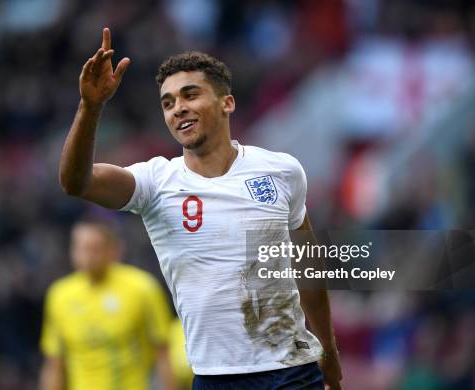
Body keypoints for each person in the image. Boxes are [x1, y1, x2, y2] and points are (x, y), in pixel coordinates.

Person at [59, 27, 343, 389]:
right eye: (168, 102)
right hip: (215, 377)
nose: (178, 108)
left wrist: (329, 352)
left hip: (294, 370)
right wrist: (90, 106)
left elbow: (308, 267)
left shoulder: (283, 171)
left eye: (190, 95)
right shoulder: (154, 182)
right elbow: (75, 182)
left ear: (226, 103)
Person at [38, 222, 175, 390]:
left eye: (94, 249)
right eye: (81, 248)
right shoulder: (59, 296)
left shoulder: (142, 288)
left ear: (113, 251)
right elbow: (54, 363)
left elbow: (163, 353)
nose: (88, 256)